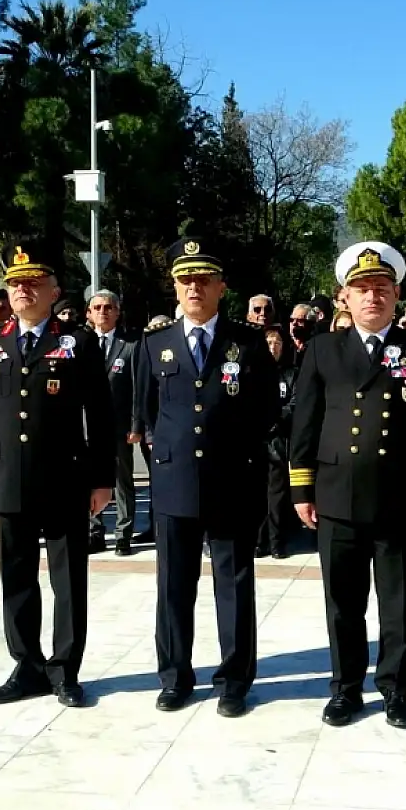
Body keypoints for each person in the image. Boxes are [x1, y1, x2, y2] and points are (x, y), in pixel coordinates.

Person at [290, 241, 406, 728]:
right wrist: (302, 489)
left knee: (399, 603)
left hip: (400, 497)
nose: (372, 297)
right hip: (338, 495)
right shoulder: (324, 349)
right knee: (342, 602)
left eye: (381, 288)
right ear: (344, 296)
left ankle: (397, 689)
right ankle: (345, 688)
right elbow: (305, 423)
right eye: (361, 289)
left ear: (397, 294)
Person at [133, 238, 278, 717]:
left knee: (233, 584)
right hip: (175, 482)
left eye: (203, 279)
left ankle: (234, 679)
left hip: (232, 479)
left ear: (222, 287)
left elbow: (266, 411)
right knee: (173, 584)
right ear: (174, 286)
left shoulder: (249, 342)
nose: (194, 287)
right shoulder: (154, 345)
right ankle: (175, 676)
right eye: (185, 279)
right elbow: (147, 414)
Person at [0, 241, 115, 706]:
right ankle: (27, 665)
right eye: (15, 285)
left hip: (64, 477)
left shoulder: (77, 341)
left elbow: (100, 413)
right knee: (15, 576)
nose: (23, 291)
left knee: (68, 578)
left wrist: (101, 479)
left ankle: (65, 669)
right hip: (8, 476)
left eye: (33, 284)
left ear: (54, 292)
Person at [86, 289, 139, 555]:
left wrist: (135, 424)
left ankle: (123, 534)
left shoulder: (130, 344)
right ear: (89, 313)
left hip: (119, 426)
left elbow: (136, 388)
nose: (103, 312)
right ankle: (94, 532)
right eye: (97, 308)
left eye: (108, 307)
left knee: (122, 481)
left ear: (117, 312)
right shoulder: (80, 343)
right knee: (91, 479)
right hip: (88, 426)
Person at [260, 324, 298, 559]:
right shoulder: (250, 370)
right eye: (268, 342)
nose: (272, 347)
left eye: (277, 342)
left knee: (277, 495)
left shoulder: (291, 373)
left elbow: (294, 403)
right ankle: (259, 540)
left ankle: (277, 541)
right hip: (255, 441)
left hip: (279, 442)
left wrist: (275, 420)